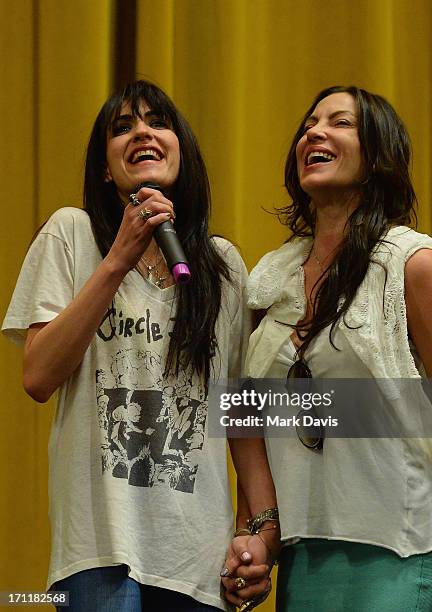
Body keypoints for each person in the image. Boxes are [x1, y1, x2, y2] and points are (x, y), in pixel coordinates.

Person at [2, 80, 277, 611]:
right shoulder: (71, 235)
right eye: (122, 128)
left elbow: (243, 419)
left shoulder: (222, 269)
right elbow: (37, 376)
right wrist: (118, 259)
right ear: (106, 169)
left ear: (182, 150)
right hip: (100, 554)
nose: (142, 132)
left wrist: (260, 534)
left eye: (157, 122)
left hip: (197, 562)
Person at [241, 86, 432, 611]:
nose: (314, 132)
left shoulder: (412, 261)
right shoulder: (268, 278)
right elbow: (244, 413)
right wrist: (260, 529)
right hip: (302, 547)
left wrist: (397, 481)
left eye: (340, 123)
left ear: (377, 154)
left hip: (395, 547)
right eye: (309, 124)